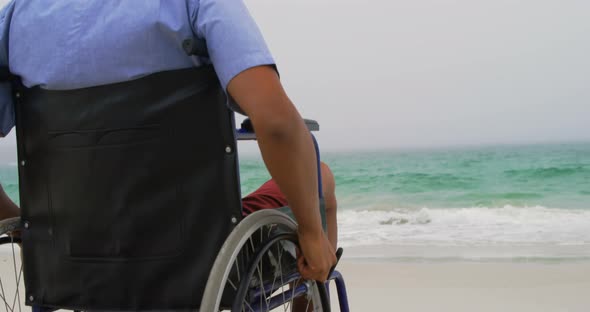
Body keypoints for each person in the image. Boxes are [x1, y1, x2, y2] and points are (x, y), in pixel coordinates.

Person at [0, 0, 337, 283]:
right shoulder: (197, 4)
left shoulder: (17, 18)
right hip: (201, 263)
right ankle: (315, 279)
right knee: (320, 177)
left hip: (72, 263)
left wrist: (24, 226)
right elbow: (277, 124)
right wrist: (310, 230)